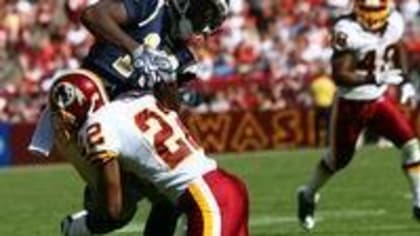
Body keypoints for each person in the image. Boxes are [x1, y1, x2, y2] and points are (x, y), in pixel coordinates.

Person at [49, 70, 249, 235]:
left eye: (62, 114)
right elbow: (161, 200)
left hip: (207, 200)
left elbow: (114, 210)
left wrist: (81, 226)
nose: (61, 122)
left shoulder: (95, 128)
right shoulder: (136, 100)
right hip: (225, 187)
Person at [28, 0, 230, 158]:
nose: (206, 24)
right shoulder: (151, 7)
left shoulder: (184, 57)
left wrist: (167, 81)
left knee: (143, 201)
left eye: (212, 19)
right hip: (86, 101)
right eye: (205, 12)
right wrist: (135, 49)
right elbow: (92, 15)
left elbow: (171, 113)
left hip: (126, 123)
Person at [297, 0, 420, 230]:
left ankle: (418, 200)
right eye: (369, 10)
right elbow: (340, 74)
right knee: (338, 160)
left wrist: (405, 81)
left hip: (378, 99)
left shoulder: (394, 21)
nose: (373, 16)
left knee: (410, 143)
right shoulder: (346, 30)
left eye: (376, 10)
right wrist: (373, 78)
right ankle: (308, 193)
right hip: (350, 104)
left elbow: (397, 47)